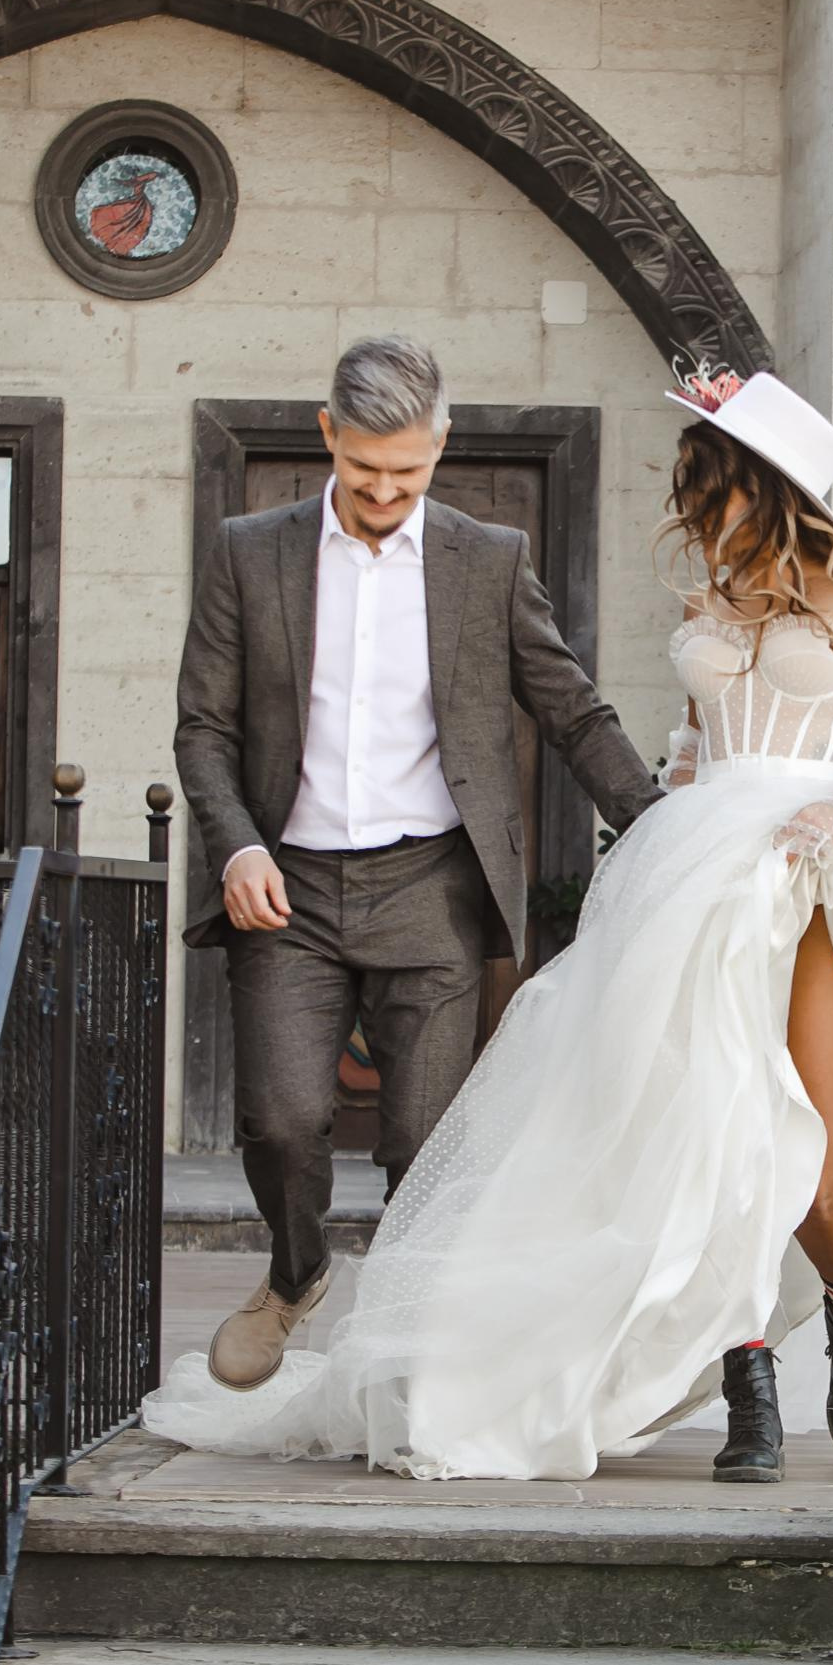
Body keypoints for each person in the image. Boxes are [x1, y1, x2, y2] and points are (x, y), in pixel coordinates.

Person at [145, 361, 833, 1484]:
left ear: (767, 490)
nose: (695, 515)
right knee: (701, 1136)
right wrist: (657, 832)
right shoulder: (704, 609)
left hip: (824, 885)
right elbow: (688, 753)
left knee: (809, 1158)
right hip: (703, 878)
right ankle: (748, 1389)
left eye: (710, 490)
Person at [173, 333, 661, 1393]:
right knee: (283, 1117)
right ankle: (295, 1274)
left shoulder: (487, 561)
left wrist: (660, 824)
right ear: (327, 438)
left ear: (439, 444)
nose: (385, 492)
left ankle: (404, 1339)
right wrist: (237, 841)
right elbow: (202, 730)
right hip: (287, 888)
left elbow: (569, 708)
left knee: (421, 1141)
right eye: (363, 470)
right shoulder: (247, 552)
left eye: (408, 470)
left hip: (430, 885)